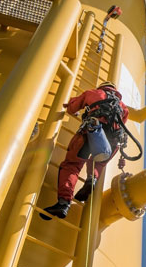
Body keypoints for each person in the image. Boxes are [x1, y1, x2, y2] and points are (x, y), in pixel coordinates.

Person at [40, 81, 129, 220]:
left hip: (91, 131)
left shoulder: (93, 93)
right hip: (112, 142)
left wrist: (71, 106)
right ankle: (91, 180)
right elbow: (123, 126)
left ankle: (63, 203)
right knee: (98, 163)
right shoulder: (123, 107)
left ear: (102, 86)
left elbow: (72, 108)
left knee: (72, 165)